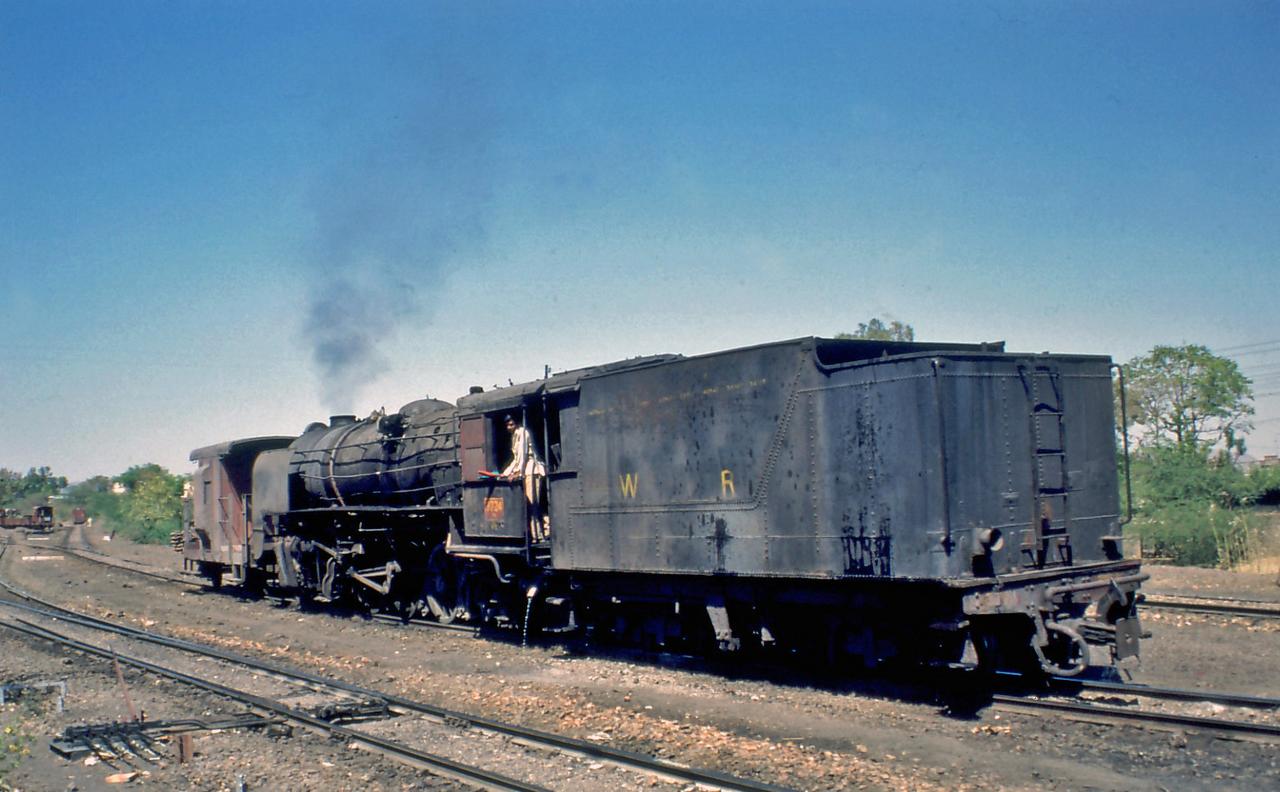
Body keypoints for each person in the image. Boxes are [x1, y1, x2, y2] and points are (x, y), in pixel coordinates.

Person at [501, 414, 550, 542]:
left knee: (532, 504)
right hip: (526, 471)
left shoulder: (522, 433)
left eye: (511, 424)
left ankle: (539, 535)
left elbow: (523, 456)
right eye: (507, 425)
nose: (509, 427)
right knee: (531, 505)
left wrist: (517, 472)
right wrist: (505, 473)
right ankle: (538, 534)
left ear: (516, 424)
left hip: (531, 471)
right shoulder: (515, 436)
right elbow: (516, 459)